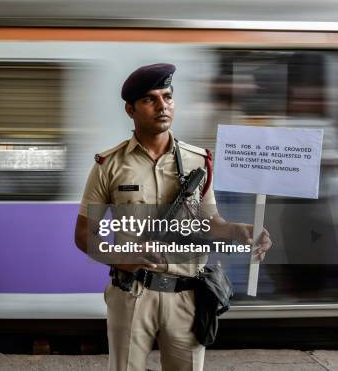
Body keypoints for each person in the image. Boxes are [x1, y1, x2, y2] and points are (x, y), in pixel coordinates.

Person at [74, 63, 272, 371]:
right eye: (150, 99)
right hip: (132, 294)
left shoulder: (199, 162)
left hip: (187, 295)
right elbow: (85, 235)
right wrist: (122, 258)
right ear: (130, 109)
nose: (162, 106)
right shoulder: (108, 166)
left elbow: (211, 224)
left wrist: (240, 231)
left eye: (167, 97)